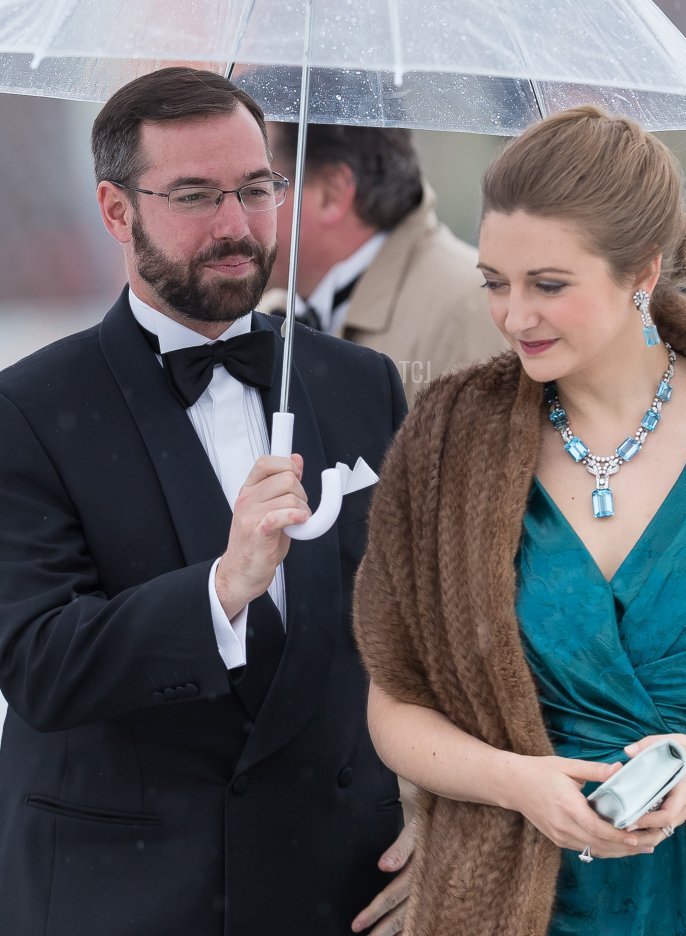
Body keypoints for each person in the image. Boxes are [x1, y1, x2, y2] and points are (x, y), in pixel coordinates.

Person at [352, 105, 686, 936]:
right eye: (495, 282)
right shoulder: (446, 439)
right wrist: (516, 782)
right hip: (509, 905)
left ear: (640, 272)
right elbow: (395, 702)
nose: (514, 316)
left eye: (549, 285)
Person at [0, 67, 411, 935]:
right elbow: (42, 663)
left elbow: (421, 637)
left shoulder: (361, 385)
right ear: (117, 211)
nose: (236, 226)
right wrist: (222, 588)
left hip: (340, 891)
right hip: (124, 897)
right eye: (194, 195)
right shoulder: (25, 410)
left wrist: (446, 816)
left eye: (256, 189)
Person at [261, 122, 506, 402]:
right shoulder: (264, 317)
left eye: (259, 188)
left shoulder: (467, 310)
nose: (236, 218)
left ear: (331, 192)